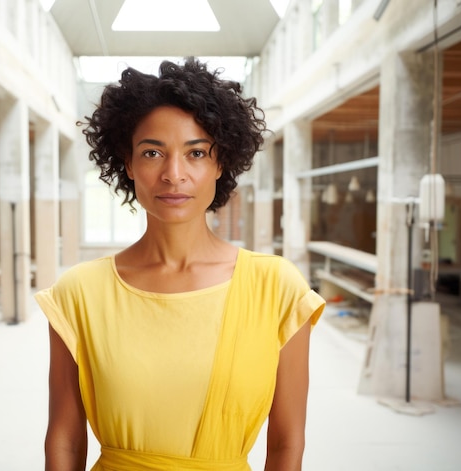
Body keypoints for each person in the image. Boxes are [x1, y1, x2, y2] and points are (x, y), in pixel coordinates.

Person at [35, 57, 325, 471]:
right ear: (129, 164)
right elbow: (63, 441)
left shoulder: (276, 287)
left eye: (196, 153)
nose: (174, 174)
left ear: (220, 163)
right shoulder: (79, 293)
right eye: (153, 152)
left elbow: (286, 445)